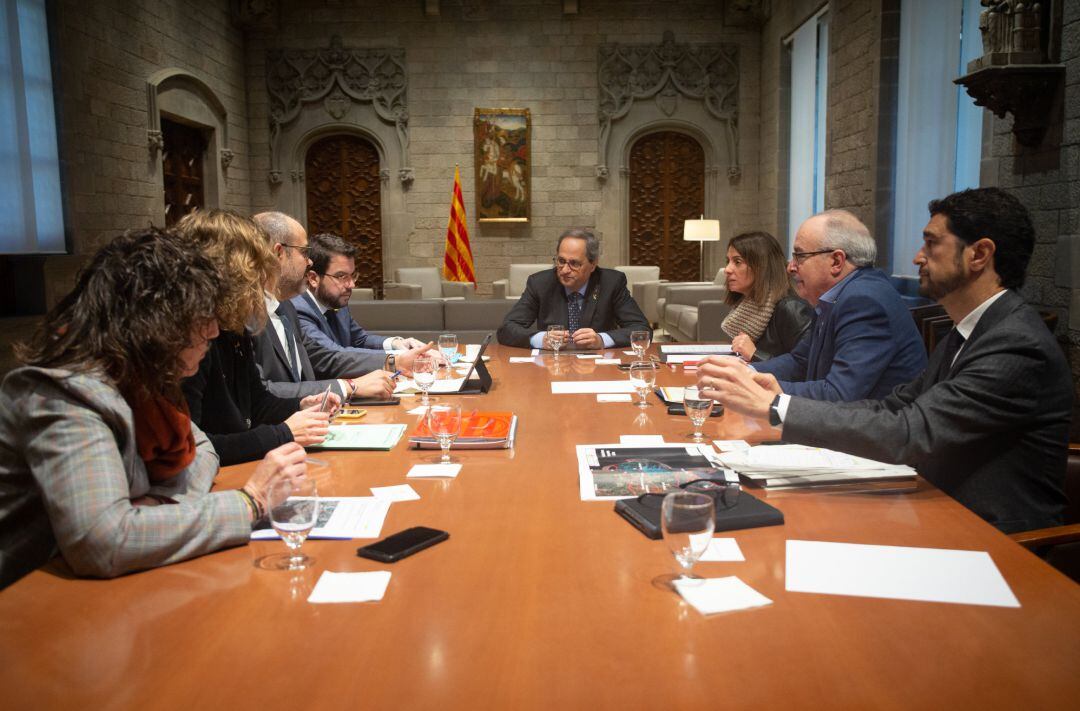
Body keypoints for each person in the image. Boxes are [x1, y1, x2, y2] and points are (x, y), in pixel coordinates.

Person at [699, 188, 1071, 533]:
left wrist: (779, 406)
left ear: (979, 255)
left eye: (931, 243)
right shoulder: (970, 329)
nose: (917, 257)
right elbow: (895, 405)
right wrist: (775, 396)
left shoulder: (1015, 343)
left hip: (990, 534)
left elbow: (913, 431)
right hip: (931, 502)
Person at [0, 228, 308, 589]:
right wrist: (250, 502)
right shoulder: (65, 393)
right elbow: (103, 541)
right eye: (200, 316)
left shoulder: (144, 379)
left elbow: (203, 448)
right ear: (151, 322)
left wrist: (159, 506)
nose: (213, 331)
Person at [179, 210, 347, 465]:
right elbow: (193, 448)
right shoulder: (189, 338)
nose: (266, 275)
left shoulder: (232, 323)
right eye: (258, 266)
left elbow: (256, 404)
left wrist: (300, 407)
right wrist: (284, 433)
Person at [751, 210, 926, 401]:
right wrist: (746, 372)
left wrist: (768, 389)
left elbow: (839, 394)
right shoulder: (833, 296)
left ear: (836, 261)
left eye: (800, 256)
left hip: (872, 428)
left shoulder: (864, 301)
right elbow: (800, 361)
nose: (791, 267)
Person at [251, 212, 405, 400]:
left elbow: (355, 341)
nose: (309, 262)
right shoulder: (248, 316)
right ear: (278, 253)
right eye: (304, 252)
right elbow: (327, 359)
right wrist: (351, 386)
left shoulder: (285, 308)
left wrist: (397, 346)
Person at [496, 227, 651, 349]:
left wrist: (602, 340)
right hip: (552, 367)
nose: (564, 270)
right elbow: (506, 330)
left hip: (598, 369)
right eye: (561, 261)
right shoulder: (540, 283)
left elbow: (642, 330)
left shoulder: (611, 283)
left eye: (574, 263)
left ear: (593, 264)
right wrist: (540, 339)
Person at [292, 232, 429, 354]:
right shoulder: (298, 310)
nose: (352, 284)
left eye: (352, 275)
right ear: (313, 278)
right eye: (341, 276)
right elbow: (333, 354)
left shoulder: (336, 302)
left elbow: (359, 339)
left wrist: (396, 344)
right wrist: (397, 358)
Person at [721, 231, 813, 362]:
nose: (727, 269)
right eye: (728, 261)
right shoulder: (747, 308)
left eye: (737, 262)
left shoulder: (791, 309)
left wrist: (755, 354)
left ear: (761, 266)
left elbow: (804, 369)